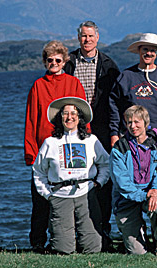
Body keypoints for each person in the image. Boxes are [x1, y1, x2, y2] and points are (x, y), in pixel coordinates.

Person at [24, 40, 86, 252]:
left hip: (69, 149)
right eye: (49, 60)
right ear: (44, 62)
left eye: (58, 60)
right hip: (44, 149)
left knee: (72, 198)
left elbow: (83, 117)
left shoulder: (74, 83)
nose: (54, 63)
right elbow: (31, 119)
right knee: (41, 199)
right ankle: (38, 242)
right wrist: (30, 152)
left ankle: (71, 240)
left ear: (65, 61)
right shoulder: (38, 86)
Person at [64, 20, 120, 250]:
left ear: (98, 38)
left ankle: (102, 232)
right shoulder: (69, 63)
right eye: (83, 36)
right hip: (74, 128)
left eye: (91, 36)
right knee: (74, 174)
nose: (87, 40)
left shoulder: (109, 65)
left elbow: (116, 100)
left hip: (101, 129)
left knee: (103, 180)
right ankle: (76, 234)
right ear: (79, 39)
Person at [33, 96, 110, 254]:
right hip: (60, 196)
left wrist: (99, 182)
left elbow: (106, 163)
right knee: (63, 249)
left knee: (93, 248)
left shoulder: (91, 140)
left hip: (86, 194)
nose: (69, 117)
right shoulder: (50, 143)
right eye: (65, 113)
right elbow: (38, 172)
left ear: (80, 117)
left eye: (74, 113)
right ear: (59, 117)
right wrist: (48, 194)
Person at [110, 105, 157, 255]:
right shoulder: (119, 148)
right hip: (127, 199)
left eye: (137, 122)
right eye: (129, 122)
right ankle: (139, 230)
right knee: (138, 253)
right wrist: (145, 195)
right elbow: (122, 183)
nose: (133, 126)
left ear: (145, 123)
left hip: (151, 195)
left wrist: (156, 192)